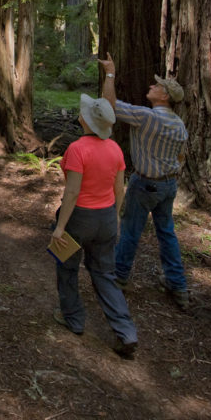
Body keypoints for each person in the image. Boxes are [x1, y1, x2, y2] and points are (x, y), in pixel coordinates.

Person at [99, 53, 190, 310]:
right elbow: (181, 155)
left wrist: (110, 73)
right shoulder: (179, 125)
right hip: (169, 185)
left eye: (157, 86)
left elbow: (110, 105)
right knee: (167, 233)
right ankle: (178, 285)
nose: (151, 86)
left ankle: (119, 277)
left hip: (144, 184)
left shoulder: (147, 117)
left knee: (130, 231)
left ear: (164, 97)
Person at [51, 93, 138, 359]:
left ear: (85, 120)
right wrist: (115, 217)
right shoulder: (115, 149)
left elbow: (73, 192)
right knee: (104, 273)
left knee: (66, 266)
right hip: (106, 219)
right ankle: (126, 331)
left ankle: (73, 319)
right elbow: (119, 189)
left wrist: (60, 227)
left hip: (79, 218)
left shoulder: (77, 148)